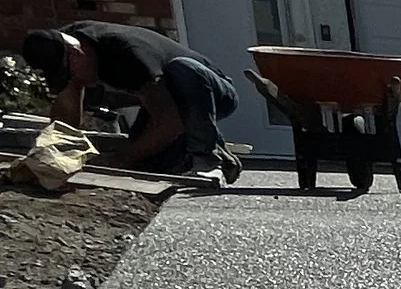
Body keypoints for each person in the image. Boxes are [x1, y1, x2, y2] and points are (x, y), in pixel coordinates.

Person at [19, 23, 242, 188]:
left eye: (70, 74)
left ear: (77, 55)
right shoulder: (64, 44)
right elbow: (65, 114)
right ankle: (220, 153)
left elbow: (169, 122)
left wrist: (119, 158)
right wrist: (55, 157)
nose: (73, 81)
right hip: (165, 100)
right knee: (146, 165)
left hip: (212, 92)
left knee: (181, 69)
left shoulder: (126, 54)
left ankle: (208, 161)